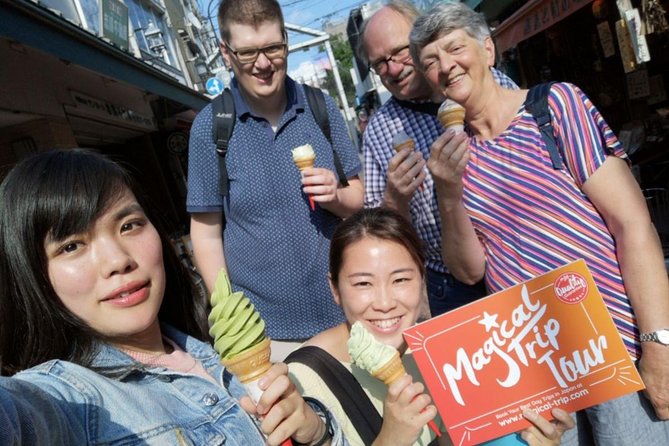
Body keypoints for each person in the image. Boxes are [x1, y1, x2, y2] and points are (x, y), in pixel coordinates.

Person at [409, 2, 669, 444]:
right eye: (430, 62)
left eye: (455, 48)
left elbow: (632, 224)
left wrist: (659, 344)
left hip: (615, 347)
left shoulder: (554, 106)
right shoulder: (450, 157)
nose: (446, 66)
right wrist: (448, 191)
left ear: (488, 50)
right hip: (537, 371)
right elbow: (470, 270)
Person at [0, 149, 346, 446]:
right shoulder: (67, 401)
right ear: (33, 275)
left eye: (130, 225)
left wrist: (317, 432)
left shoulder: (211, 352)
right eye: (71, 246)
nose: (119, 260)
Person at [287, 207, 574, 446]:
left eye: (400, 280)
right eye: (363, 283)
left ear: (422, 279)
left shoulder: (448, 353)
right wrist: (391, 438)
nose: (385, 302)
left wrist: (531, 438)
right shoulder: (303, 380)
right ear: (335, 288)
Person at [187, 0, 363, 358]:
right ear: (226, 53)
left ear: (285, 40)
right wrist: (231, 318)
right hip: (268, 336)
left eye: (272, 48)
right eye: (248, 52)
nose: (263, 64)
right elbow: (205, 233)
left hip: (346, 315)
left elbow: (359, 199)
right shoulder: (211, 127)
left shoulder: (321, 107)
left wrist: (336, 197)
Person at [358, 0, 519, 316]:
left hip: (519, 258)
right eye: (380, 63)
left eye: (400, 52)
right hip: (453, 287)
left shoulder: (487, 83)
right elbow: (379, 231)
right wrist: (395, 195)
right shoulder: (379, 128)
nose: (392, 69)